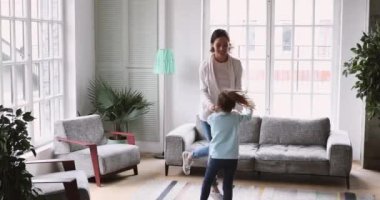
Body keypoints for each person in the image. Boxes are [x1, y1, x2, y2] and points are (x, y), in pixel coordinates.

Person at [182, 29, 243, 176]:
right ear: (212, 45)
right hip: (209, 114)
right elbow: (203, 91)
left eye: (225, 45)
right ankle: (214, 186)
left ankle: (191, 156)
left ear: (229, 45)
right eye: (218, 45)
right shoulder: (204, 66)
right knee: (215, 148)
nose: (222, 48)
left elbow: (238, 90)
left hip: (228, 114)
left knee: (216, 148)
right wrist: (211, 106)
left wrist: (238, 109)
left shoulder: (236, 64)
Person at [200, 90, 254, 200]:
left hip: (216, 157)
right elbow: (248, 117)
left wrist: (212, 109)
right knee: (227, 185)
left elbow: (203, 117)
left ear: (219, 105)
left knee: (207, 181)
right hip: (232, 158)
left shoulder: (213, 118)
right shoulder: (235, 117)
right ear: (233, 105)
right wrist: (250, 107)